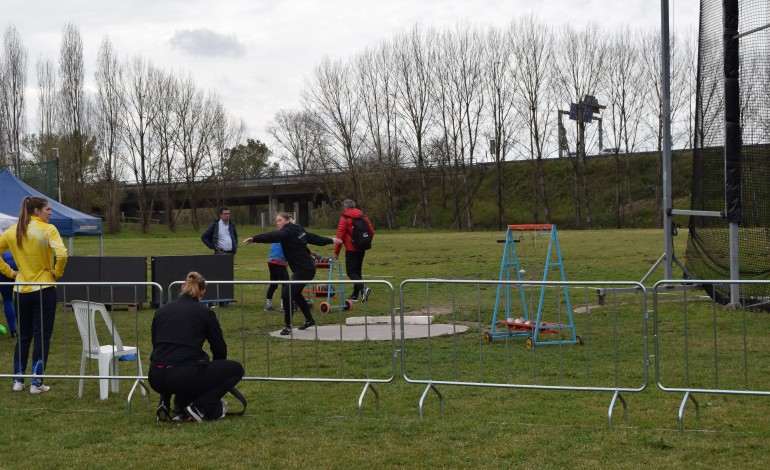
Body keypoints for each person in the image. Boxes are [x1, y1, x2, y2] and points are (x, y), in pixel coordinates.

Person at [149, 271, 244, 423]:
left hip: (155, 376)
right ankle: (199, 407)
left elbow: (157, 344)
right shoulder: (205, 313)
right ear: (202, 292)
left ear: (182, 288)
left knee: (167, 361)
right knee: (236, 369)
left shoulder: (162, 310)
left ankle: (164, 403)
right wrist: (216, 371)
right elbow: (219, 348)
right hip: (184, 374)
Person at [0, 196, 68, 394]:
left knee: (24, 335)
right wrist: (57, 272)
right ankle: (36, 383)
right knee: (42, 336)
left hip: (20, 291)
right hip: (44, 289)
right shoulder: (48, 229)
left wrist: (10, 273)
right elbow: (62, 254)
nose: (51, 213)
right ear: (37, 211)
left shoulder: (12, 231)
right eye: (48, 209)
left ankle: (17, 381)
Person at [243, 213, 342, 335]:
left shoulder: (287, 231)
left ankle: (288, 326)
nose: (277, 223)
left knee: (286, 294)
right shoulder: (298, 229)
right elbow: (314, 238)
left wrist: (255, 238)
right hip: (305, 268)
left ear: (287, 220)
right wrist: (332, 240)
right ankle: (309, 319)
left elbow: (273, 236)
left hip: (304, 269)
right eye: (276, 221)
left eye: (279, 220)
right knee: (295, 294)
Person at [334, 199, 375, 302]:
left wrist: (336, 251)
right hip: (362, 247)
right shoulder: (363, 216)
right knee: (357, 271)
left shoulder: (345, 217)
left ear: (345, 207)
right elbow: (371, 231)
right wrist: (364, 242)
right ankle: (355, 295)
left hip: (351, 248)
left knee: (351, 272)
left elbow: (340, 236)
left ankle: (363, 288)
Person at [265, 242, 289, 312]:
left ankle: (268, 305)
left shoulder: (277, 237)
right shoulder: (286, 237)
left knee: (273, 284)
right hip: (279, 262)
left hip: (271, 261)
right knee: (286, 284)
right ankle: (283, 306)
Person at [0, 251, 18, 337]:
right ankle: (27, 328)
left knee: (7, 299)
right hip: (15, 258)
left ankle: (13, 330)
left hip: (3, 262)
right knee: (24, 295)